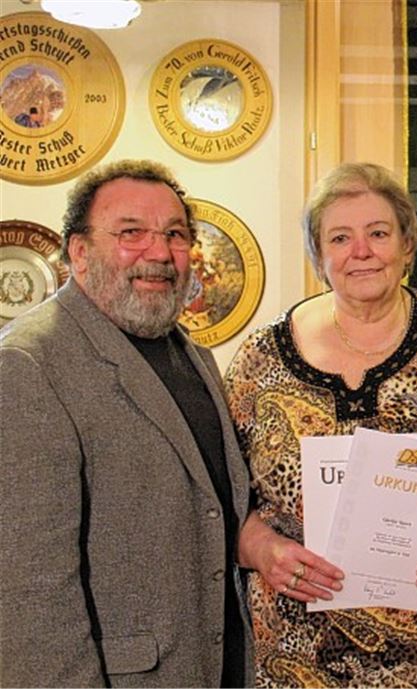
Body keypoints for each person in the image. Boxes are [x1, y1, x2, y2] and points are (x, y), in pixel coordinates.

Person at [224, 162, 417, 687]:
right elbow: (221, 495)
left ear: (407, 246)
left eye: (378, 233)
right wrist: (260, 550)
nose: (360, 251)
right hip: (299, 655)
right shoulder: (261, 358)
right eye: (340, 237)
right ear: (319, 256)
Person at [0, 159, 253, 687]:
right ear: (79, 252)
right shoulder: (28, 364)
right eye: (131, 233)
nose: (159, 254)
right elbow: (27, 596)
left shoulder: (194, 355)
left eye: (175, 235)